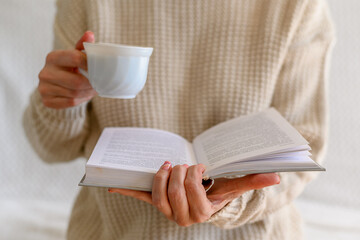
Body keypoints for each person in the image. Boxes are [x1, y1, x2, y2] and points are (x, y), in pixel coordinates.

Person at [23, 0, 335, 239]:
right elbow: (53, 149)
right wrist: (60, 101)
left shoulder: (295, 6)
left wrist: (231, 199)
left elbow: (302, 145)